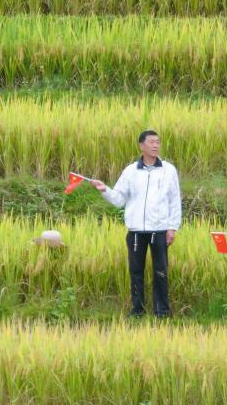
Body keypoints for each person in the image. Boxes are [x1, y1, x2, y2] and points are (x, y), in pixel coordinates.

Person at [91, 129, 182, 317]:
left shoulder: (168, 170)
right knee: (136, 272)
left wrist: (172, 227)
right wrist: (104, 189)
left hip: (160, 230)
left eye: (158, 142)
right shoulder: (131, 171)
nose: (156, 145)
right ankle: (137, 310)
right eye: (151, 142)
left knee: (161, 272)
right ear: (141, 146)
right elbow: (118, 199)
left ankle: (162, 311)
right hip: (136, 232)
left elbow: (174, 200)